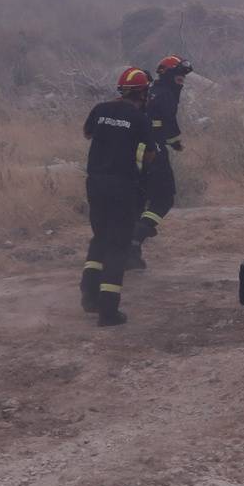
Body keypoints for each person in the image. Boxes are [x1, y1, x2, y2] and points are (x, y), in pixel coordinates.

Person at [81, 67, 156, 327]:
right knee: (118, 245)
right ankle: (108, 312)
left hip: (96, 184)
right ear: (143, 92)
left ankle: (89, 297)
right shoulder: (140, 119)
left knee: (100, 238)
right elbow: (149, 155)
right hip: (122, 187)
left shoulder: (100, 110)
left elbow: (88, 134)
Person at [131, 54, 192, 266]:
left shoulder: (152, 92)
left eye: (184, 76)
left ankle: (131, 253)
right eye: (178, 74)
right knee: (164, 198)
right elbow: (168, 121)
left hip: (135, 151)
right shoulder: (165, 94)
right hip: (153, 150)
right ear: (167, 74)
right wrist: (174, 142)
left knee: (141, 199)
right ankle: (136, 237)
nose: (181, 79)